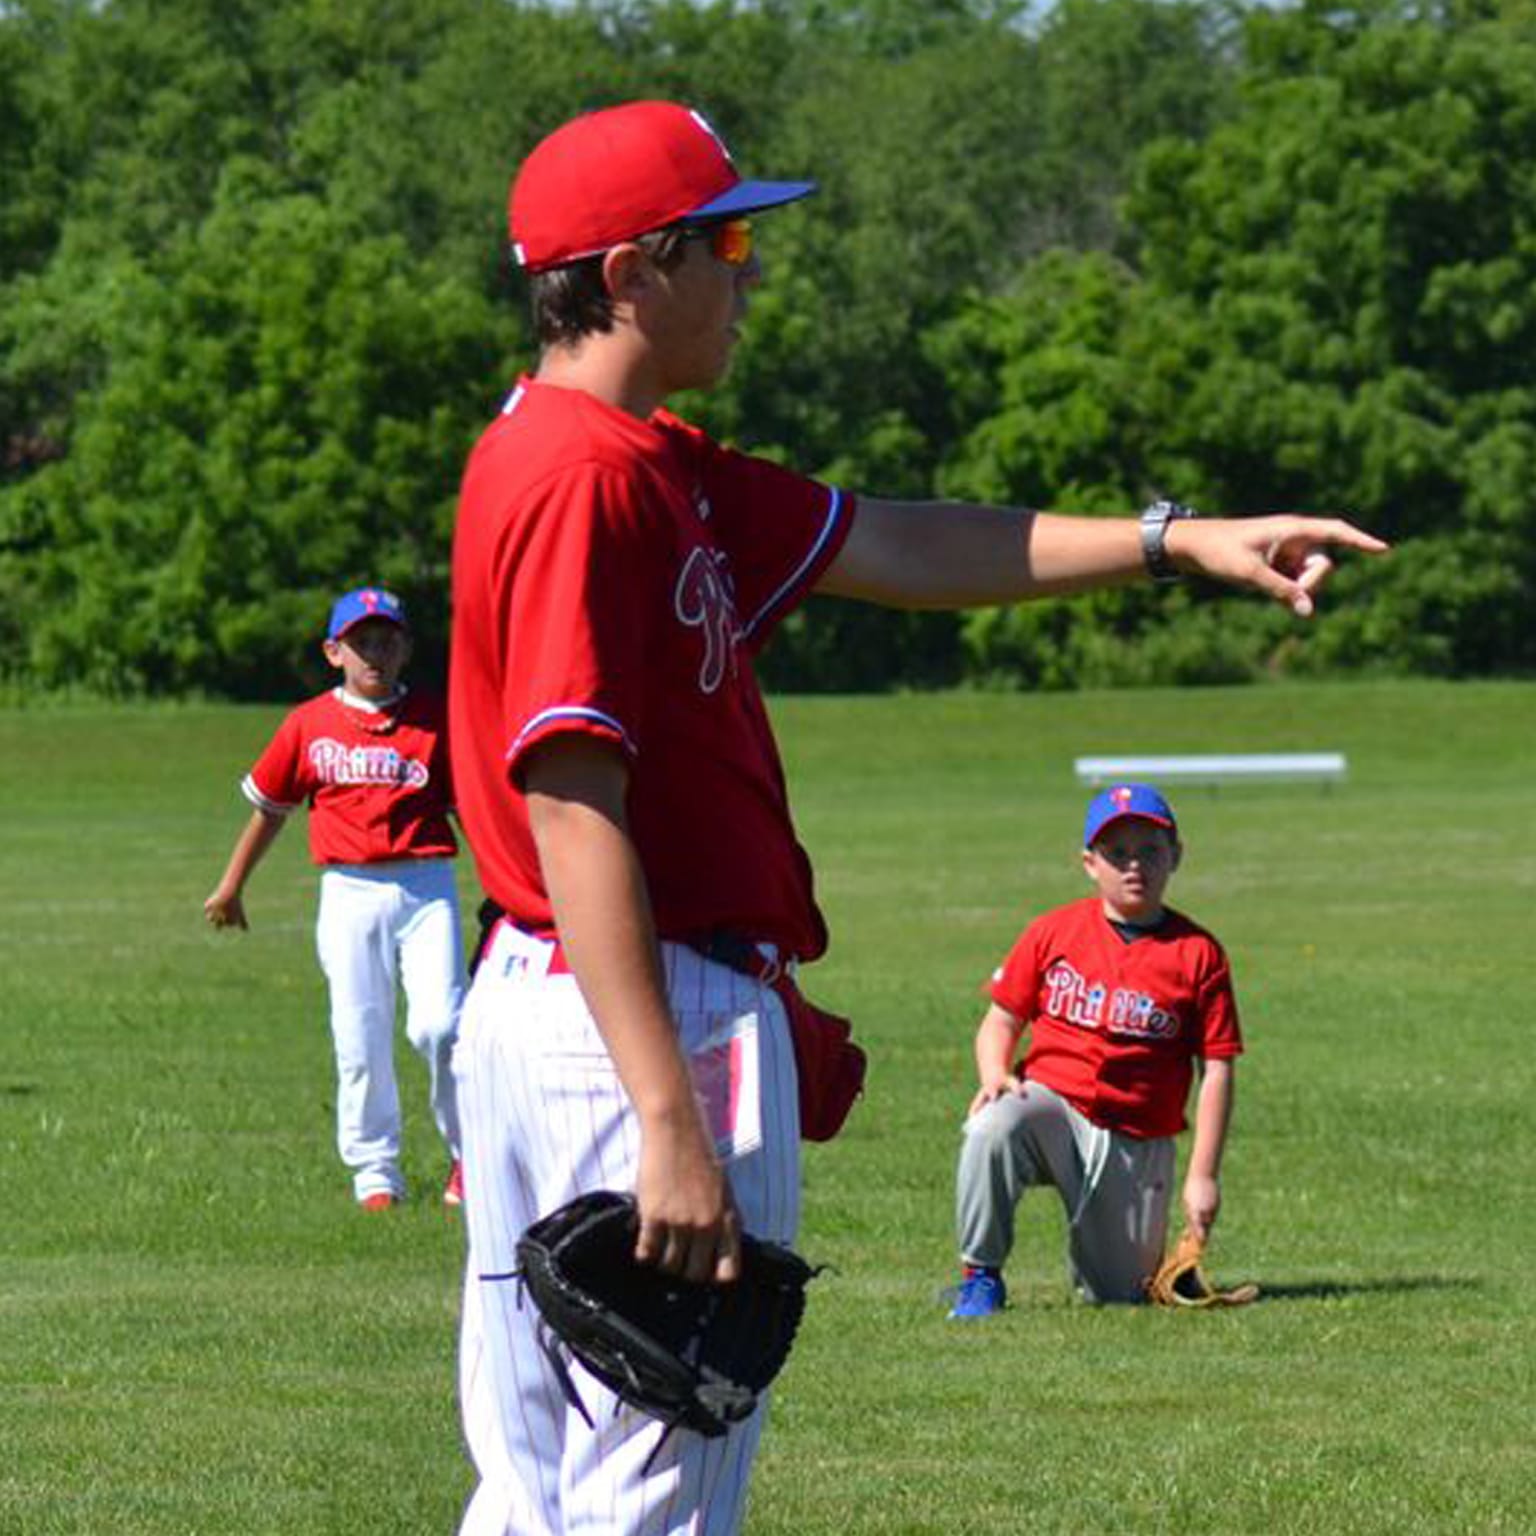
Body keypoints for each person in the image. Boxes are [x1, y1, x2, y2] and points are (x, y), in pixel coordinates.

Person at [447, 98, 1386, 1536]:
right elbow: (573, 800)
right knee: (657, 1488)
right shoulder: (583, 477)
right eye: (730, 240)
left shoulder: (637, 459)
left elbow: (893, 538)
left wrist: (1173, 540)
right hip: (635, 1018)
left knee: (537, 1488)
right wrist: (665, 1113)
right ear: (633, 271)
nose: (752, 272)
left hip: (563, 1003)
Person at [205, 586, 464, 1211]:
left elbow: (475, 813)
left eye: (387, 639)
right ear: (333, 651)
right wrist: (232, 885)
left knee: (442, 1026)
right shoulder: (308, 724)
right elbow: (270, 810)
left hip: (427, 886)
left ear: (405, 648)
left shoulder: (436, 720)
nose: (374, 652)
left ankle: (468, 1155)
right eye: (360, 642)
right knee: (359, 1030)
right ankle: (375, 1169)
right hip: (348, 889)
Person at [947, 783, 1238, 1318]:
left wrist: (1202, 1176)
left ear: (1176, 855)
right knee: (993, 1125)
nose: (1134, 866)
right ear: (1089, 863)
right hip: (1051, 1106)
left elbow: (1216, 1068)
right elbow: (1002, 1017)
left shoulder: (1199, 954)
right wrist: (993, 1073)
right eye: (1117, 853)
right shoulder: (1054, 930)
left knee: (1120, 1296)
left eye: (1150, 850)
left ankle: (1115, 1266)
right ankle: (979, 1277)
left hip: (1136, 1133)